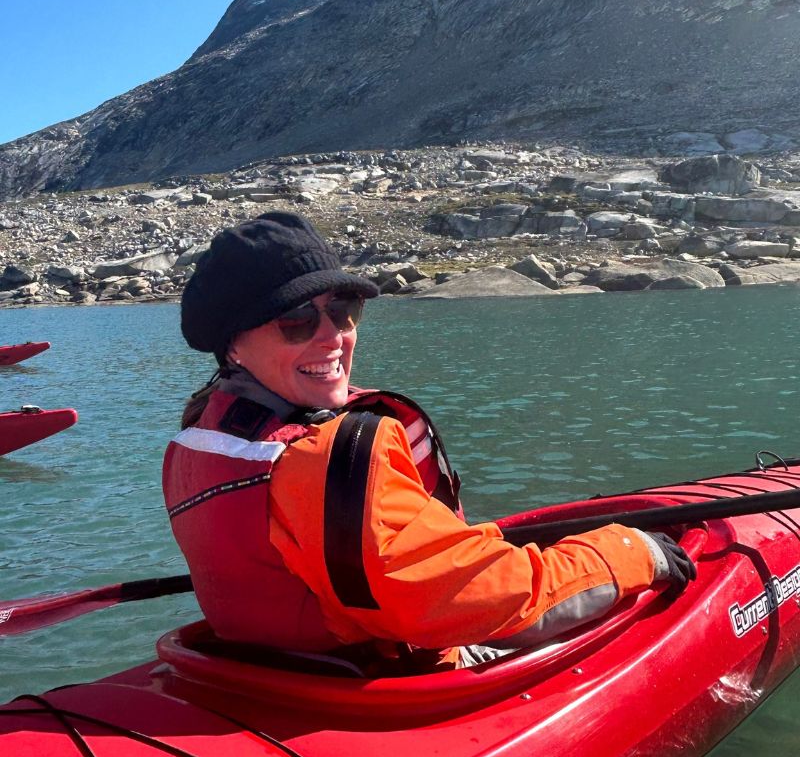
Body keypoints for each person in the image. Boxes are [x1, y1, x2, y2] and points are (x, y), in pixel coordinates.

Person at [163, 212, 695, 671]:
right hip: (380, 680)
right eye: (297, 320)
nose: (332, 335)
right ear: (233, 346)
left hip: (271, 669)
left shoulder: (196, 439)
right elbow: (476, 602)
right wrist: (629, 552)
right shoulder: (326, 459)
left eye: (343, 309)